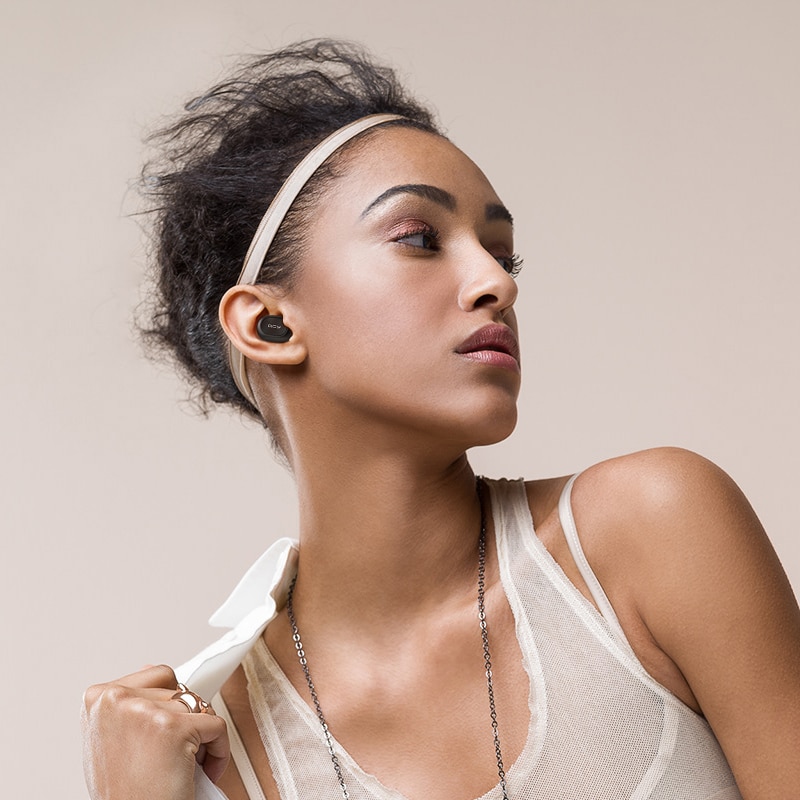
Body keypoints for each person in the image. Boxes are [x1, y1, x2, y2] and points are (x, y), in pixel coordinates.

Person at [81, 39, 800, 800]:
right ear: (269, 325)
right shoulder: (221, 742)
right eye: (420, 239)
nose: (496, 283)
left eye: (503, 255)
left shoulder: (647, 533)